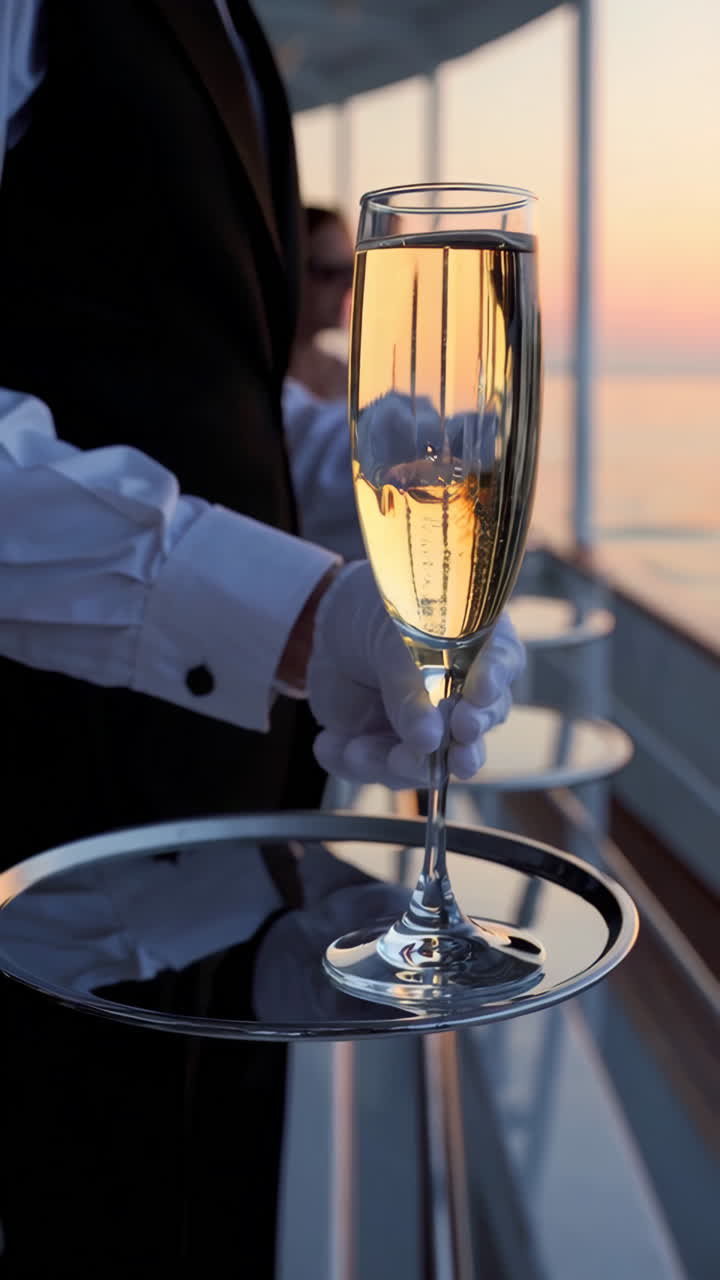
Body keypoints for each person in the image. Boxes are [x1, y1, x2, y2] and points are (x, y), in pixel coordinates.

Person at [0, 2, 523, 1274]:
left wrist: (353, 461)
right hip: (47, 843)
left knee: (216, 1204)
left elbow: (184, 384)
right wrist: (298, 613)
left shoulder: (222, 19)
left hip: (236, 847)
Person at [288, 205, 354, 400]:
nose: (348, 286)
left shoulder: (343, 375)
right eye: (330, 273)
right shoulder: (256, 377)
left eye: (352, 270)